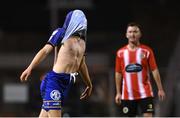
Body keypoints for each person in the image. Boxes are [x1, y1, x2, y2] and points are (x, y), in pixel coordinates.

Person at [20, 9, 92, 117]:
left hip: (65, 84)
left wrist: (89, 84)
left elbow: (82, 64)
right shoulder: (61, 33)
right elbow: (45, 50)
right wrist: (30, 68)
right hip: (54, 82)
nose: (82, 21)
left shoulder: (83, 42)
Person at [114, 22, 166, 117]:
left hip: (145, 93)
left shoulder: (147, 51)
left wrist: (160, 89)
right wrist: (118, 92)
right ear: (126, 35)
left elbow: (154, 70)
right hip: (127, 95)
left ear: (140, 34)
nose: (132, 34)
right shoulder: (120, 53)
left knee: (148, 116)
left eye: (135, 31)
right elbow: (118, 73)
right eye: (130, 32)